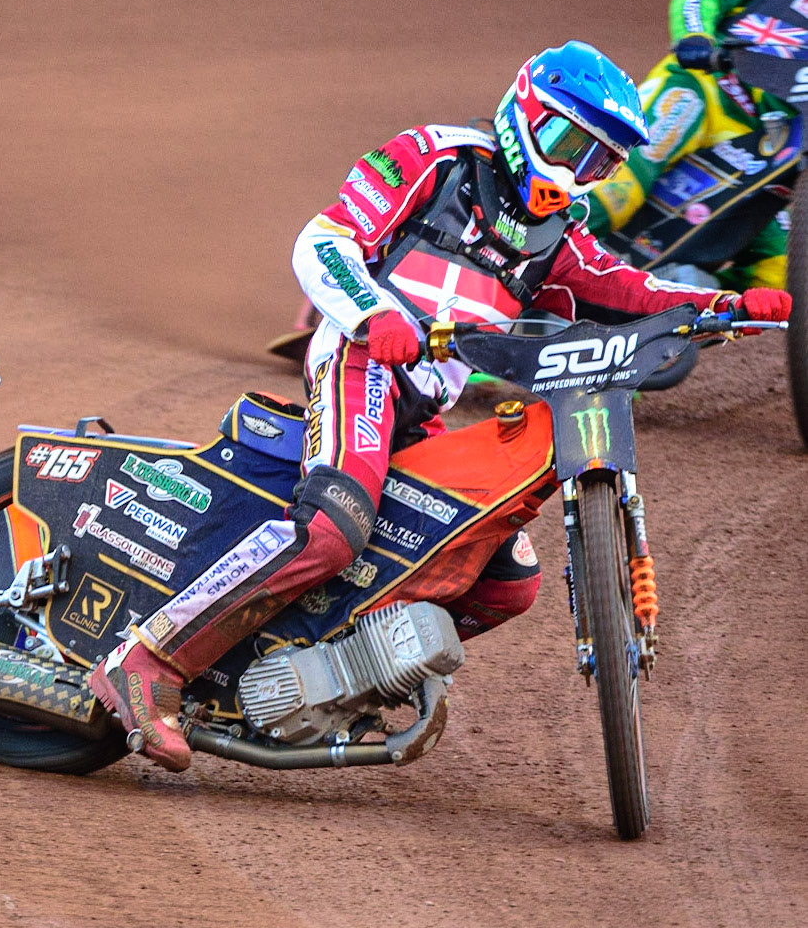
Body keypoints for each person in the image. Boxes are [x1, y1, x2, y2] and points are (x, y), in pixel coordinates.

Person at [90, 43, 793, 773]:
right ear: (528, 113)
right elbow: (322, 240)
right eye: (570, 145)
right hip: (362, 363)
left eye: (600, 163)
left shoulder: (562, 234)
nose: (579, 172)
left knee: (509, 581)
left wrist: (724, 305)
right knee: (333, 530)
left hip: (425, 407)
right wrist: (370, 314)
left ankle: (338, 668)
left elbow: (627, 289)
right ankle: (148, 660)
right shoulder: (434, 157)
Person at [585, 0, 808, 288]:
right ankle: (522, 255)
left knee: (780, 273)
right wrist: (695, 37)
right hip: (707, 88)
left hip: (774, 154)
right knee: (615, 192)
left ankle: (682, 306)